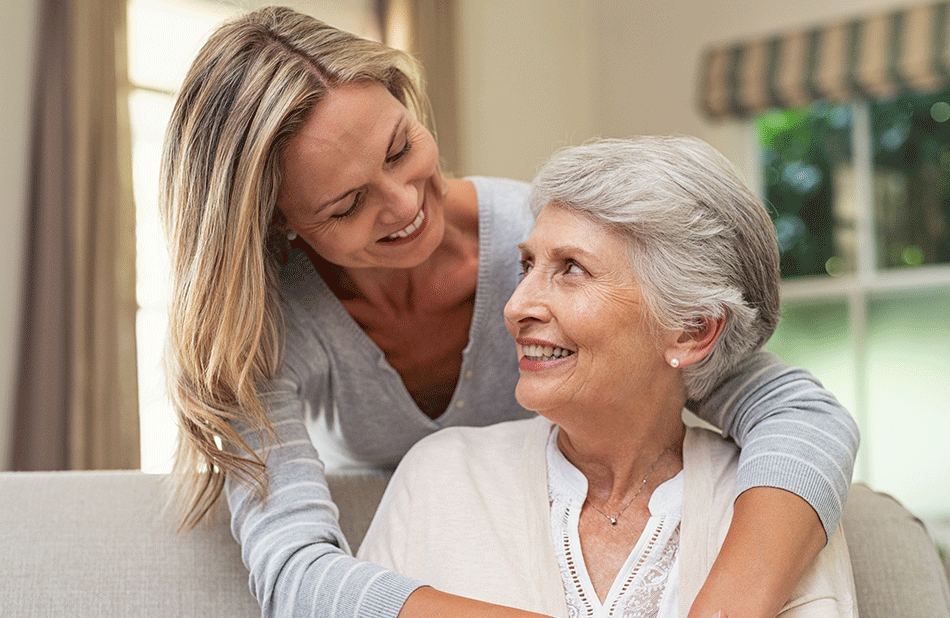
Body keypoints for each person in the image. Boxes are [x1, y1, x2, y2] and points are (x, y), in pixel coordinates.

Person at [158, 7, 858, 618]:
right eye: (346, 204)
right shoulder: (263, 328)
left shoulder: (544, 238)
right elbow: (295, 577)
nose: (404, 205)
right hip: (412, 554)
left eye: (401, 149)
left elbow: (793, 409)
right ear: (282, 226)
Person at [358, 136, 859, 618]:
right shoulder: (440, 477)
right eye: (526, 265)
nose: (515, 307)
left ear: (691, 330)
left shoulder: (775, 507)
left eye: (572, 269)